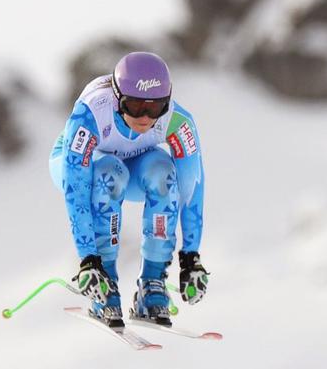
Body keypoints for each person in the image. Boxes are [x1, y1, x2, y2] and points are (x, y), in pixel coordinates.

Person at [49, 52, 209, 329]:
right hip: (83, 166)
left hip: (135, 167)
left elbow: (191, 187)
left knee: (164, 173)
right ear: (116, 97)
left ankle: (153, 283)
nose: (145, 118)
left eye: (156, 107)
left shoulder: (178, 121)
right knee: (110, 173)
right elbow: (77, 190)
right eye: (134, 106)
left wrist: (190, 257)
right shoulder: (91, 114)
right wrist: (88, 260)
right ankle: (105, 284)